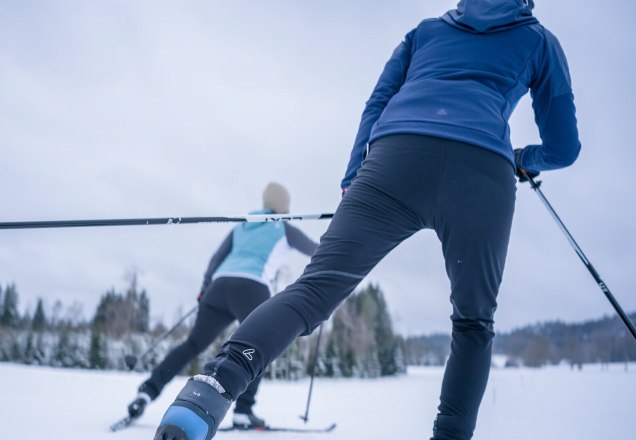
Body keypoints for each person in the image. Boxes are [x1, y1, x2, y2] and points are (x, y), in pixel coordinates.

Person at [153, 1, 581, 439]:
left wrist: (352, 176)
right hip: (481, 170)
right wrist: (521, 158)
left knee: (313, 291)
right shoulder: (539, 40)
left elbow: (378, 100)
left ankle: (208, 393)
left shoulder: (427, 32)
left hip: (395, 158)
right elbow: (564, 148)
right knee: (473, 322)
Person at [126, 182, 318, 429]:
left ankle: (147, 392)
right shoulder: (284, 228)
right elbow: (317, 251)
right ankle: (243, 412)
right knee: (258, 347)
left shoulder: (243, 226)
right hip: (252, 287)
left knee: (192, 344)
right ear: (284, 207)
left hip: (218, 288)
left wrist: (205, 290)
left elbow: (216, 259)